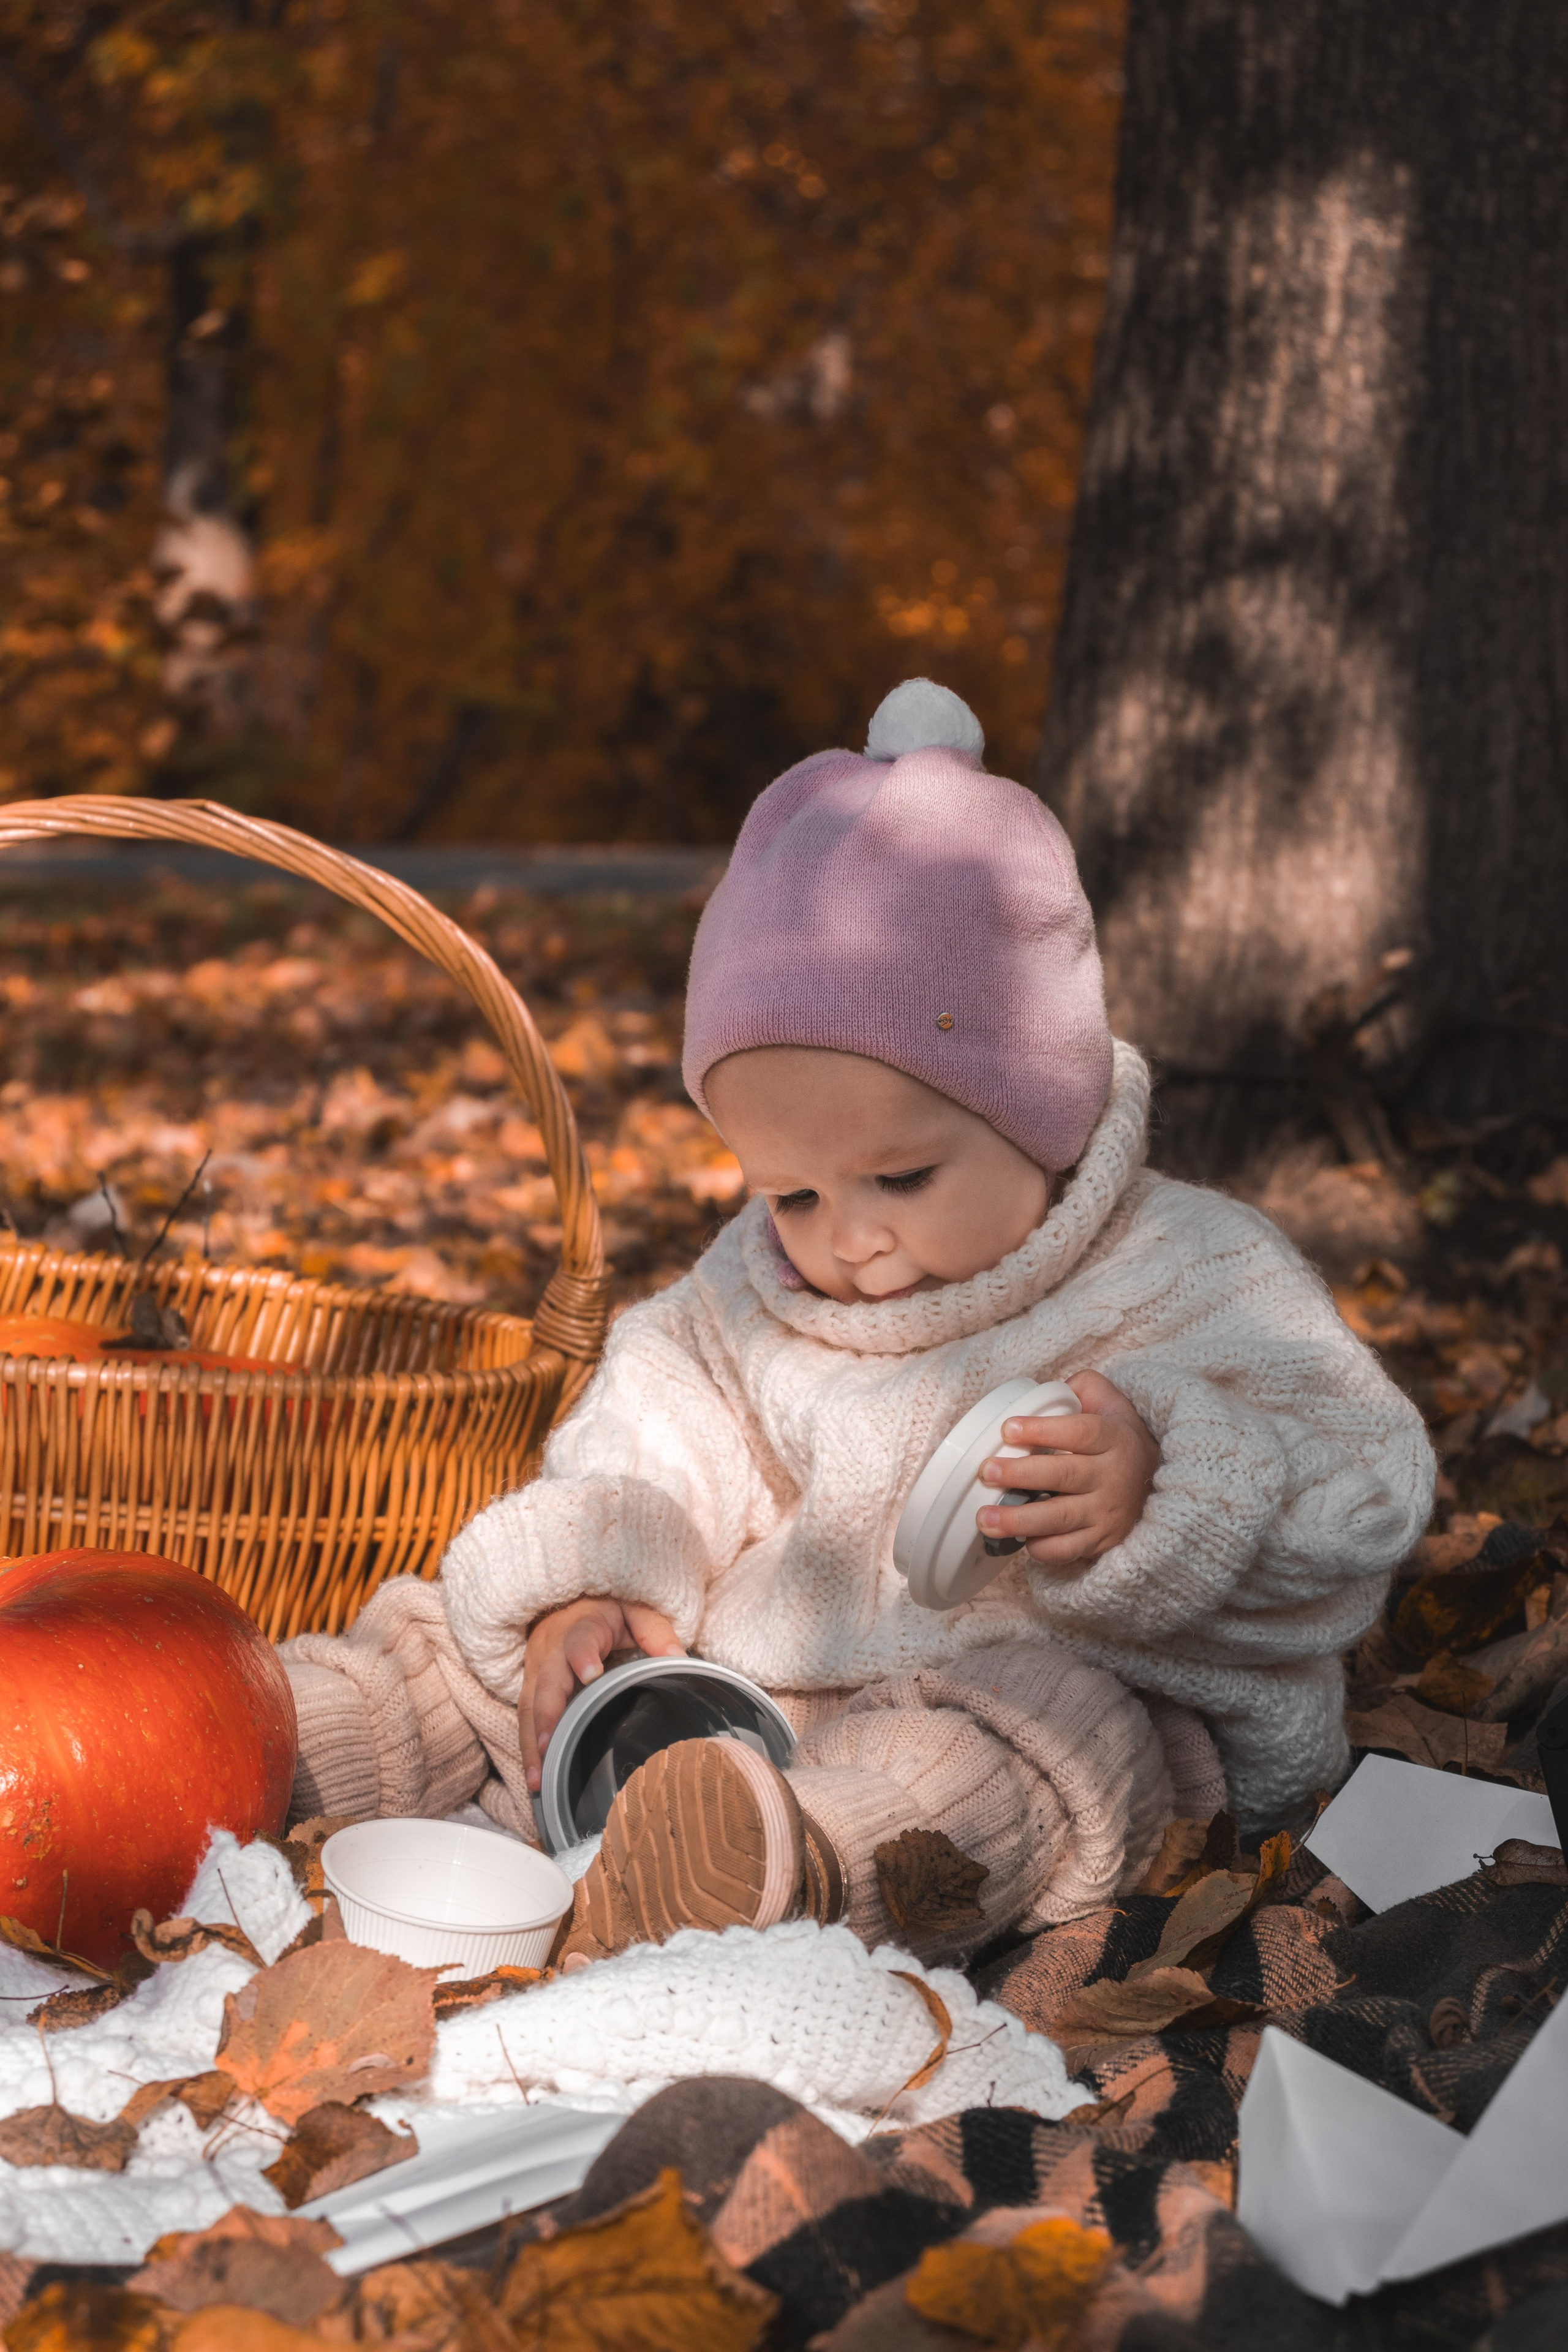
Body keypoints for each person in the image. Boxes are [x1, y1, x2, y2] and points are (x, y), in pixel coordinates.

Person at [284, 679, 1434, 1967]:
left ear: (1034, 1111)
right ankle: (270, 1741)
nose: (849, 1236)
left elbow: (1360, 1492)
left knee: (1030, 1738)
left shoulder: (1187, 1269)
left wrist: (1165, 1481)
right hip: (731, 1703)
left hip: (1014, 1704)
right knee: (478, 1646)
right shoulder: (747, 1292)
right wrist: (589, 1591)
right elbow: (651, 1434)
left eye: (900, 1177)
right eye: (791, 1191)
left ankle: (788, 1872)